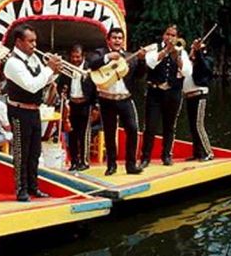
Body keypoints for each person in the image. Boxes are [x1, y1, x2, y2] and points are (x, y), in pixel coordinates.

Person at [3, 24, 61, 201]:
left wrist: (54, 72)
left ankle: (33, 186)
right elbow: (31, 85)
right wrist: (49, 68)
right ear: (19, 42)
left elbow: (42, 81)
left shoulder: (34, 58)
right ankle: (21, 190)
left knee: (35, 152)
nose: (34, 45)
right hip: (19, 110)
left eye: (35, 41)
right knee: (22, 152)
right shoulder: (12, 63)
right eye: (30, 41)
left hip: (35, 110)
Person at [88, 28, 145, 176]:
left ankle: (131, 165)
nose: (117, 40)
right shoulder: (100, 53)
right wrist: (108, 57)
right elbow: (92, 64)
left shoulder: (129, 57)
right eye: (114, 38)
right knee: (109, 132)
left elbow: (139, 76)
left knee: (132, 129)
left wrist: (142, 60)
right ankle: (111, 165)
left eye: (120, 38)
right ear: (108, 40)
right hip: (106, 100)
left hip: (125, 99)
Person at [141, 24, 192, 167]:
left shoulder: (182, 52)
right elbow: (150, 63)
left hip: (173, 93)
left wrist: (177, 58)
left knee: (169, 126)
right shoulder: (155, 47)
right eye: (167, 34)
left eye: (173, 35)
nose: (170, 37)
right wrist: (165, 51)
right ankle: (145, 158)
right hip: (155, 92)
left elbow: (187, 72)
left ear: (177, 38)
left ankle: (166, 156)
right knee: (150, 126)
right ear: (164, 35)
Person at [57, 44, 96, 171]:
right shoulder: (67, 68)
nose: (75, 59)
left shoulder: (90, 68)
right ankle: (74, 161)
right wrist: (63, 93)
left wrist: (96, 105)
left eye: (78, 57)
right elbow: (60, 85)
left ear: (83, 56)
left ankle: (84, 161)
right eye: (73, 57)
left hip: (85, 103)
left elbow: (96, 88)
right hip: (72, 104)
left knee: (84, 133)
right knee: (71, 134)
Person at [183, 37, 214, 161]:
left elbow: (204, 67)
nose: (192, 50)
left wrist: (199, 52)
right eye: (192, 48)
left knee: (199, 125)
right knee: (192, 126)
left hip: (199, 95)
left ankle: (208, 152)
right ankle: (197, 153)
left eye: (195, 49)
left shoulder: (207, 61)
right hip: (189, 96)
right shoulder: (188, 62)